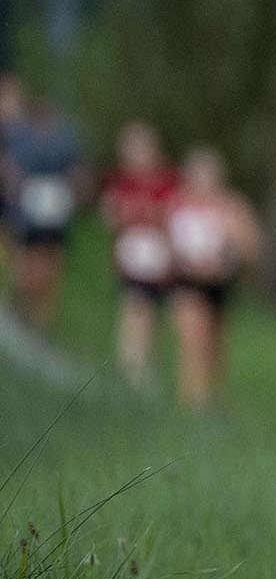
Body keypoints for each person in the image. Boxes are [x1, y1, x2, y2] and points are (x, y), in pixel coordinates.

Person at [165, 146, 264, 410]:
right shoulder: (176, 204)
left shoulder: (232, 207)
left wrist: (231, 246)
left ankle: (210, 399)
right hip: (186, 282)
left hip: (220, 285)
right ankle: (190, 401)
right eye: (198, 176)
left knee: (213, 346)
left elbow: (253, 248)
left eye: (210, 176)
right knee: (191, 338)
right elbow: (162, 243)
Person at [101, 121, 179, 391]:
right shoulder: (122, 181)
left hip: (158, 256)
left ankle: (144, 363)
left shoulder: (168, 180)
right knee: (134, 306)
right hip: (132, 255)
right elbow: (112, 215)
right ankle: (130, 365)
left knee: (152, 312)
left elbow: (172, 215)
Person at [1, 91, 86, 335]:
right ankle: (21, 302)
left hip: (55, 209)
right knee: (28, 259)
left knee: (51, 261)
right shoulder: (21, 139)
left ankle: (42, 321)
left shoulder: (65, 140)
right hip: (29, 207)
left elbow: (77, 169)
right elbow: (11, 169)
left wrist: (77, 190)